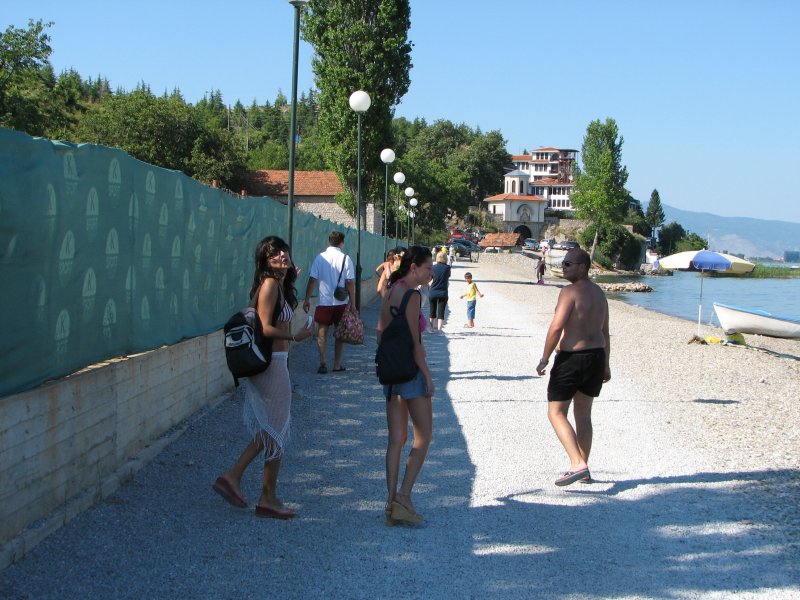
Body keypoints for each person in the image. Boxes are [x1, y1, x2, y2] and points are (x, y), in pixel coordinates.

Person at [213, 236, 314, 519]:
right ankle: (261, 493)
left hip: (277, 362)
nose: (282, 255)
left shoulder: (277, 283)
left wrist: (289, 280)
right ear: (265, 262)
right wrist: (295, 336)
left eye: (283, 250)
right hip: (272, 364)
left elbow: (279, 314)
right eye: (274, 254)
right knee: (276, 430)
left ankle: (242, 482)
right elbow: (266, 327)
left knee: (274, 429)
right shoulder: (269, 284)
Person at [535, 248, 610, 487]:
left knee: (556, 412)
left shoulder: (569, 292)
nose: (563, 267)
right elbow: (605, 332)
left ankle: (577, 464)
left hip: (572, 359)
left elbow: (557, 327)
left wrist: (544, 358)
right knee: (583, 415)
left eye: (568, 264)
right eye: (563, 263)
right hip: (596, 357)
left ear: (583, 267)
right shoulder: (599, 294)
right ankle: (583, 469)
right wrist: (606, 364)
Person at [376, 246, 435, 525]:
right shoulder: (412, 295)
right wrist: (427, 376)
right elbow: (415, 342)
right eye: (428, 268)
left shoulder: (392, 290)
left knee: (395, 440)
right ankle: (404, 495)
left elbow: (380, 333)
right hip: (410, 373)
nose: (431, 273)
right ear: (414, 268)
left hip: (391, 373)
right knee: (423, 436)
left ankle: (390, 502)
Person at [302, 231, 356, 374]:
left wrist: (307, 299)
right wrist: (353, 304)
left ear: (329, 241)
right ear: (342, 243)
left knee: (322, 331)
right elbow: (350, 282)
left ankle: (322, 362)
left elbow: (312, 279)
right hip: (341, 302)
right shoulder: (346, 258)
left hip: (324, 301)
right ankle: (337, 364)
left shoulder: (320, 258)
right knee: (340, 333)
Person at [428, 250, 452, 333]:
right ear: (445, 258)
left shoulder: (433, 267)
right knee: (441, 312)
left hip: (433, 291)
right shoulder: (447, 268)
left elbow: (430, 278)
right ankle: (439, 330)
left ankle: (431, 329)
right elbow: (448, 276)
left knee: (432, 310)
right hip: (443, 292)